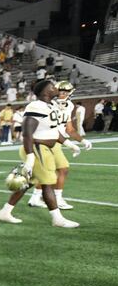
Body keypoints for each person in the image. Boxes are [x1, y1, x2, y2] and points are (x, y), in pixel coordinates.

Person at [0, 80, 80, 228]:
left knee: (28, 182)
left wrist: (68, 144)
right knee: (48, 183)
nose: (56, 89)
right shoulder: (35, 106)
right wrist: (30, 157)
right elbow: (27, 133)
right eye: (52, 87)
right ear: (45, 92)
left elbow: (53, 131)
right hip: (36, 149)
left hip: (44, 148)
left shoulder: (51, 105)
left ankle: (5, 212)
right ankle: (57, 219)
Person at [27, 81, 93, 209]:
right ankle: (57, 199)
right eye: (60, 91)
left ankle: (35, 197)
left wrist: (83, 140)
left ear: (70, 93)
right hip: (47, 140)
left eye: (65, 92)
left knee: (49, 171)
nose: (62, 94)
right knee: (62, 169)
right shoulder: (49, 104)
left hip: (56, 140)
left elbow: (69, 129)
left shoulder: (69, 106)